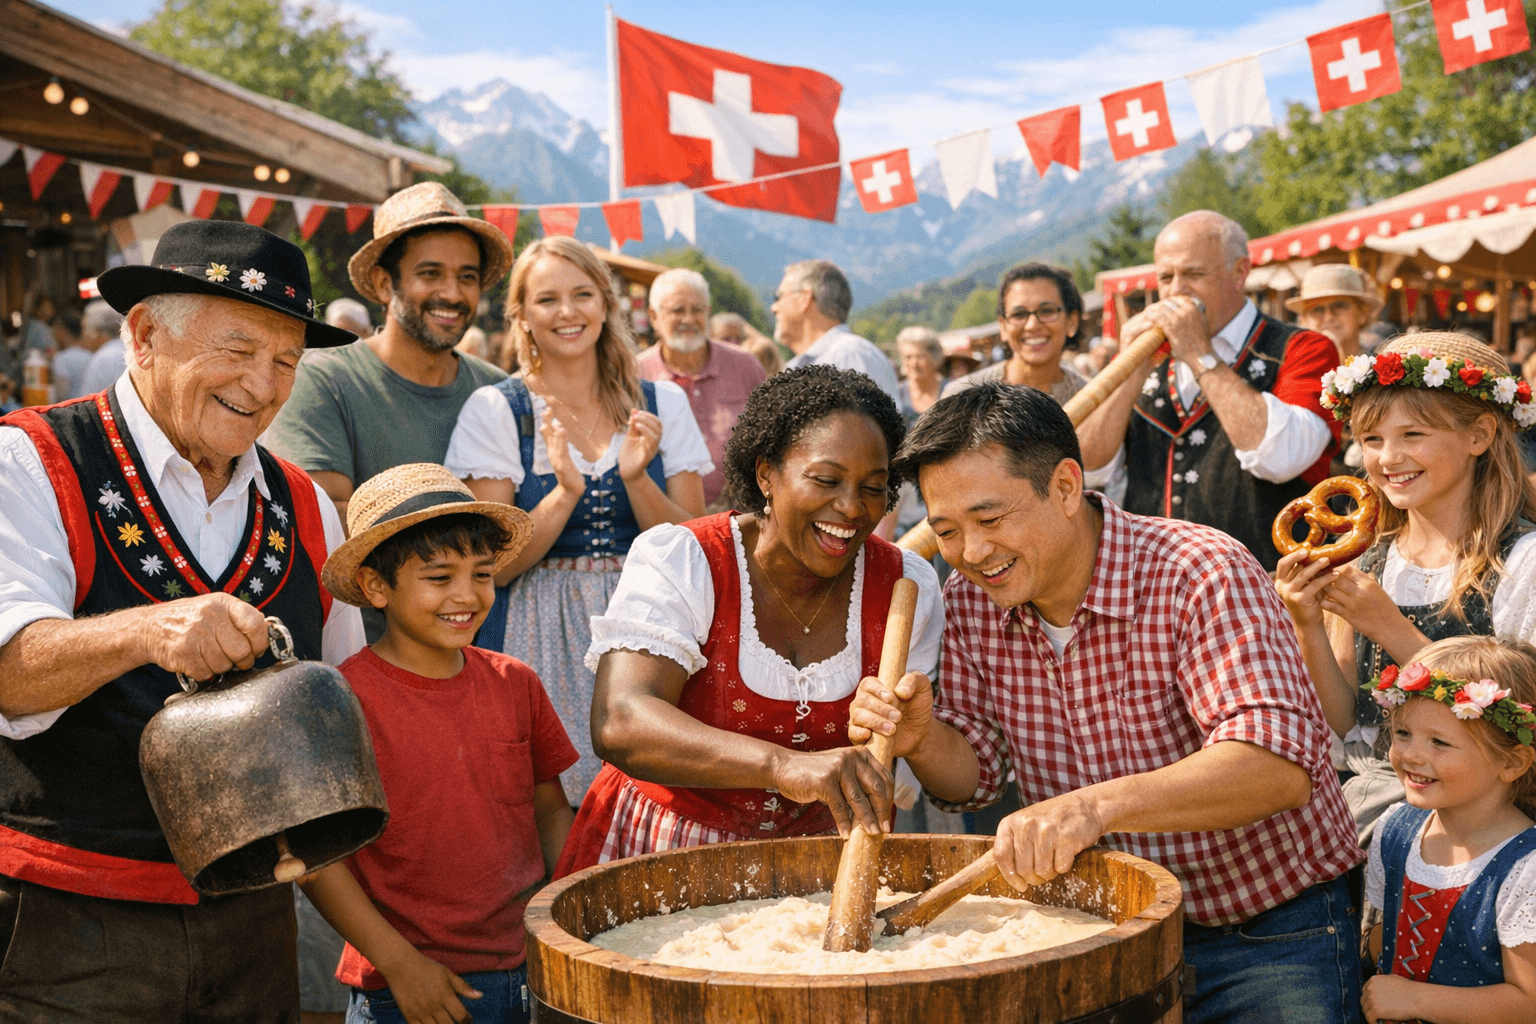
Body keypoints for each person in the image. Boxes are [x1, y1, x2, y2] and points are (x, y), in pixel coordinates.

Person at [851, 382, 1363, 1024]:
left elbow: (1277, 769)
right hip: (1097, 931)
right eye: (947, 531)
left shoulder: (1198, 569)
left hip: (1264, 931)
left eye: (990, 519)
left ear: (1066, 487)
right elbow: (976, 779)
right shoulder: (968, 603)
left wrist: (1093, 807)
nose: (973, 553)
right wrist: (921, 740)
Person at [0, 220, 365, 1021]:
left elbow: (345, 704)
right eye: (237, 351)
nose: (263, 386)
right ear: (143, 337)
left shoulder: (305, 505)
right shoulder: (30, 459)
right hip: (70, 920)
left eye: (285, 363)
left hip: (255, 916)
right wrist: (150, 629)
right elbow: (10, 673)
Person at [555, 365, 942, 874]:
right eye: (826, 479)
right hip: (664, 852)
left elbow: (945, 768)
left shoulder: (905, 586)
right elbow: (620, 721)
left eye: (874, 487)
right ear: (766, 474)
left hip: (830, 866)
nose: (851, 508)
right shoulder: (684, 560)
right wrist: (783, 766)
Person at [303, 464, 575, 1024]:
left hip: (531, 975)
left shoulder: (514, 681)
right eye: (438, 576)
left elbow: (549, 812)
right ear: (376, 586)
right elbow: (318, 859)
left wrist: (562, 920)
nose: (466, 595)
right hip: (405, 990)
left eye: (481, 574)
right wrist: (401, 966)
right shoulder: (343, 700)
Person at [445, 236, 710, 803]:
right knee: (547, 804)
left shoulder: (663, 402)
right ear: (521, 315)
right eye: (546, 300)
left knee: (658, 795)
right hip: (532, 631)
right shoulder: (498, 410)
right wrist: (565, 491)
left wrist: (638, 479)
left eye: (582, 294)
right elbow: (494, 567)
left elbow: (694, 549)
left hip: (647, 623)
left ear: (606, 304)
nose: (567, 312)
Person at [1275, 334, 1536, 850]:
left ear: (1480, 434)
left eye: (1412, 434)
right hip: (1370, 808)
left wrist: (1390, 627)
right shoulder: (1373, 559)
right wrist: (1307, 622)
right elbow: (1351, 723)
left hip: (1479, 828)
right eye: (1371, 439)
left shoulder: (1521, 562)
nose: (1387, 458)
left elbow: (1515, 727)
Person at [1076, 210, 1342, 571]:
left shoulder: (1303, 348)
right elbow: (1088, 467)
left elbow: (1283, 459)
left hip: (1266, 593)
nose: (1175, 291)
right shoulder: (1149, 357)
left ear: (1239, 272)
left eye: (1194, 274)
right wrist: (1131, 367)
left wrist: (1200, 354)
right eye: (1166, 277)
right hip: (1157, 593)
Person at [263, 181, 513, 530]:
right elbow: (322, 519)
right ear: (383, 284)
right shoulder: (326, 380)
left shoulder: (498, 392)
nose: (453, 293)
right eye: (430, 273)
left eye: (467, 277)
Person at [1360, 635, 1536, 1023]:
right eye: (1403, 733)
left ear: (1511, 763)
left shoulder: (1526, 869)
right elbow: (1382, 937)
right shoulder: (1396, 829)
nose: (1411, 755)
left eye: (1439, 741)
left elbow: (1529, 1003)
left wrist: (1415, 999)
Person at [638, 268, 766, 510]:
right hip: (664, 518)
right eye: (677, 310)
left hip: (742, 516)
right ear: (654, 317)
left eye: (697, 310)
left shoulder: (745, 365)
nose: (688, 319)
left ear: (708, 314)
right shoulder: (637, 373)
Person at [944, 263, 1089, 407]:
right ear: (1003, 326)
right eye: (1019, 314)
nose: (1032, 325)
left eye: (1047, 311)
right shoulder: (962, 397)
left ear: (1071, 322)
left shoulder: (1091, 400)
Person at [774, 260, 899, 405]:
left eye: (779, 296)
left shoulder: (850, 355)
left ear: (804, 299)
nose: (774, 307)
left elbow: (862, 426)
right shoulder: (796, 366)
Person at [1288, 264, 1382, 365]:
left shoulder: (1382, 369)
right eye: (1317, 310)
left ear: (1363, 313)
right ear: (1304, 320)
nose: (1328, 317)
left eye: (1339, 306)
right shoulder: (1292, 372)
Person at [53, 300, 121, 400]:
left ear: (98, 331)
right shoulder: (126, 350)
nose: (83, 335)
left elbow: (90, 405)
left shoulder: (102, 359)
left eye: (85, 329)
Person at [895, 326, 945, 421]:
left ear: (935, 357)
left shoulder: (951, 391)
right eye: (908, 357)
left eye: (920, 357)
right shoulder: (897, 394)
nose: (914, 364)